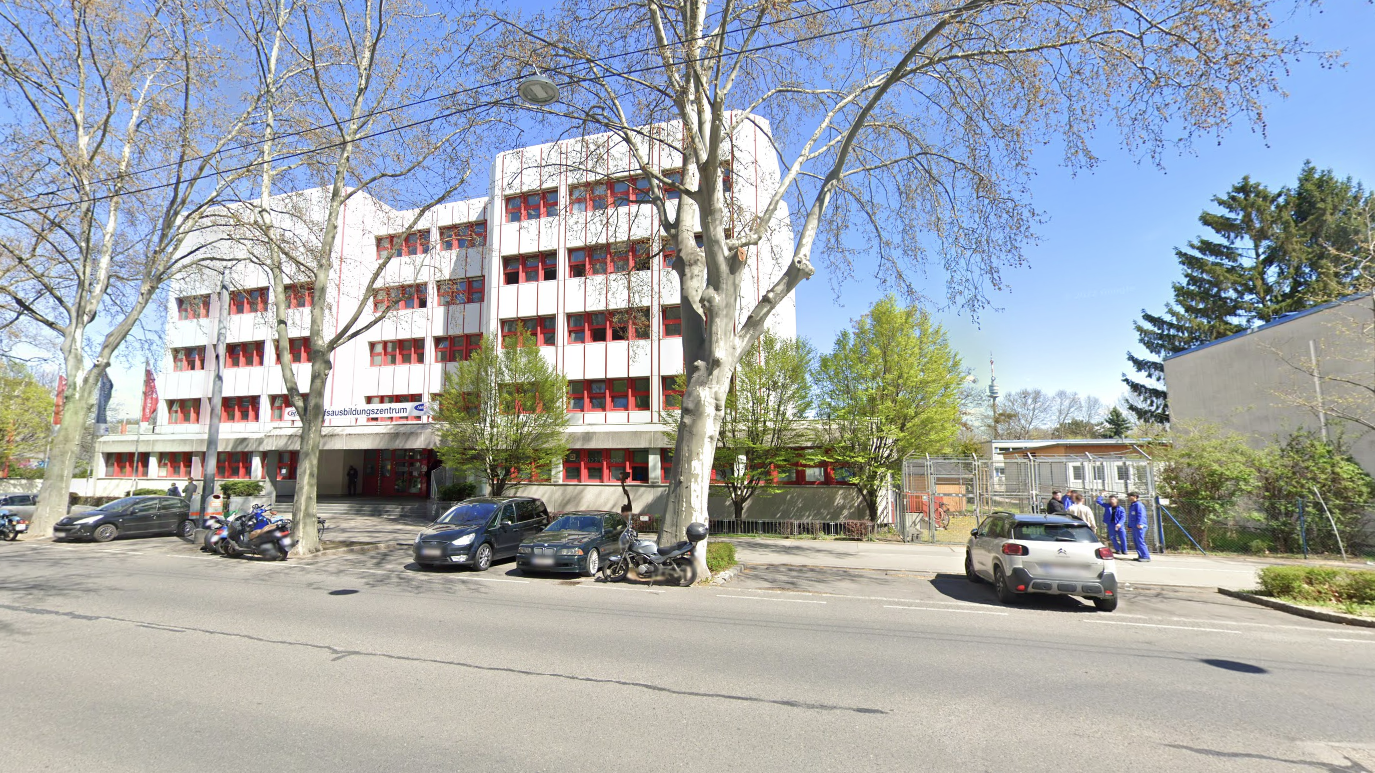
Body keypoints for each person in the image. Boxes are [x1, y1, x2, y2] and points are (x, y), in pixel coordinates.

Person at [1126, 492, 1152, 562]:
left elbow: (1141, 515)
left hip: (1139, 526)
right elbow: (1131, 516)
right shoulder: (1132, 505)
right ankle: (1141, 555)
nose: (1128, 498)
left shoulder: (1138, 505)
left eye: (1130, 496)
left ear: (1135, 496)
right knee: (1136, 541)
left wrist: (1140, 523)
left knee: (1140, 541)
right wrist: (1129, 525)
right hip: (1134, 526)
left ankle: (1146, 556)